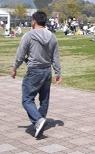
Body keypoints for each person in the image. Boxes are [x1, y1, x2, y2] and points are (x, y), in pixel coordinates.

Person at [11, 11, 62, 139]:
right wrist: (58, 72)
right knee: (44, 99)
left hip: (34, 70)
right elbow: (55, 57)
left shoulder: (28, 36)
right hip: (47, 70)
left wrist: (15, 67)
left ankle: (38, 120)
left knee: (27, 99)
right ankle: (40, 122)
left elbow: (21, 54)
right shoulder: (52, 37)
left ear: (34, 21)